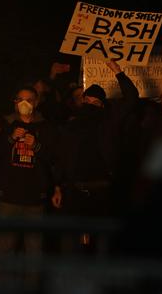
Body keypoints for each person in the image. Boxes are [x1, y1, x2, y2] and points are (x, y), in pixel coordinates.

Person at [57, 59, 139, 251]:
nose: (90, 105)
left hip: (100, 190)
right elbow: (62, 154)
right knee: (71, 240)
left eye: (95, 102)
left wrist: (117, 71)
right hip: (74, 190)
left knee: (100, 239)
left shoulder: (110, 121)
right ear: (82, 101)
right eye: (87, 101)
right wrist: (58, 185)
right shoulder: (71, 125)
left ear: (102, 105)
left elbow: (132, 99)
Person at [0, 85, 61, 271]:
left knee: (34, 252)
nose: (24, 103)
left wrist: (37, 146)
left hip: (34, 200)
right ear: (14, 103)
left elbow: (54, 158)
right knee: (2, 250)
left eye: (29, 100)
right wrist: (10, 139)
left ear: (36, 103)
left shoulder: (46, 127)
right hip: (8, 197)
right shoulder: (4, 124)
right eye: (20, 99)